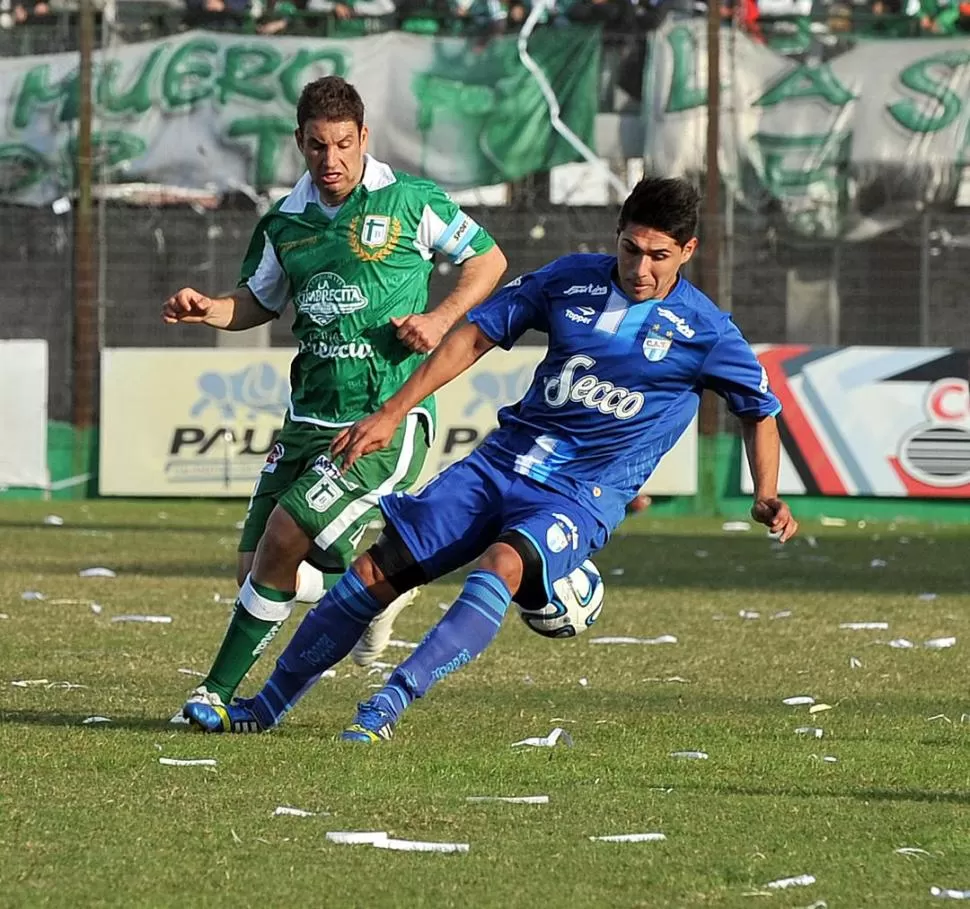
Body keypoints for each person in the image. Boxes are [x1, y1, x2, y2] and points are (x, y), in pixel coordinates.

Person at [184, 175, 797, 741]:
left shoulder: (706, 331)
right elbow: (474, 336)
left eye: (658, 256)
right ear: (618, 236)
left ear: (686, 252)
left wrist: (765, 490)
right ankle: (262, 709)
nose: (639, 268)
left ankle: (388, 702)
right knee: (375, 574)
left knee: (503, 562)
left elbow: (759, 410)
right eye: (631, 249)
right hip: (500, 464)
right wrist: (393, 412)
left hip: (580, 495)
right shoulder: (569, 278)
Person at [162, 75, 507, 717]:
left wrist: (437, 321)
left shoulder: (409, 202)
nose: (332, 161)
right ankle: (382, 585)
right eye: (318, 147)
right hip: (305, 420)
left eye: (343, 145)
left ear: (364, 138)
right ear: (300, 143)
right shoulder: (284, 223)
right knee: (256, 571)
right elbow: (258, 301)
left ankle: (214, 693)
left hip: (381, 419)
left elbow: (487, 261)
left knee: (287, 533)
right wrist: (210, 308)